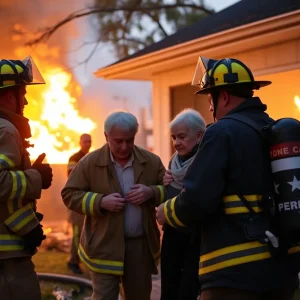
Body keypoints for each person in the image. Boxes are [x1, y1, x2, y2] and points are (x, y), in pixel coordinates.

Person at [157, 57, 300, 300]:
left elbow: (197, 200)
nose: (210, 108)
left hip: (234, 275)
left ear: (222, 96)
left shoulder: (221, 131)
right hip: (283, 268)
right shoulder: (273, 130)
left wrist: (166, 212)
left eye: (210, 99)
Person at [61, 111, 166, 300]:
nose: (124, 147)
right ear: (106, 137)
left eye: (129, 140)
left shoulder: (151, 162)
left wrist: (151, 192)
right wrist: (100, 202)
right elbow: (69, 194)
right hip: (103, 246)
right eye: (118, 141)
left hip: (139, 248)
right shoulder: (89, 163)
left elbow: (170, 193)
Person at [0, 57, 53, 299]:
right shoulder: (5, 129)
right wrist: (35, 177)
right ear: (8, 96)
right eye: (22, 92)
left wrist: (28, 225)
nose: (26, 100)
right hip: (7, 259)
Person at [160, 108, 205, 300]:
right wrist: (163, 186)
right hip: (172, 234)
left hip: (195, 237)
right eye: (173, 137)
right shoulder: (174, 163)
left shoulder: (206, 162)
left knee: (188, 289)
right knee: (169, 287)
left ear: (199, 135)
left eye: (182, 137)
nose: (176, 143)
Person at [66, 133, 92, 274]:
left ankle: (82, 260)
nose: (88, 144)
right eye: (85, 141)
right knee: (77, 234)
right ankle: (73, 261)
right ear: (80, 143)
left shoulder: (91, 157)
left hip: (88, 201)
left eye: (89, 141)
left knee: (86, 233)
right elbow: (72, 177)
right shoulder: (74, 158)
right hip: (77, 202)